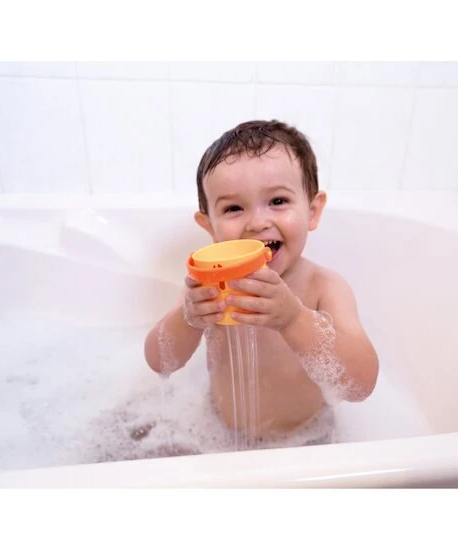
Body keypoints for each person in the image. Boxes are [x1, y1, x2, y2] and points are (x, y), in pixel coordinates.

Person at [144, 119, 378, 447]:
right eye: (233, 208)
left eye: (278, 201)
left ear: (312, 211)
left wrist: (294, 318)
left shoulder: (324, 287)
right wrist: (188, 319)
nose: (257, 222)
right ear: (209, 226)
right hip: (218, 434)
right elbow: (159, 362)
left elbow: (360, 385)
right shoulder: (210, 288)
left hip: (307, 440)